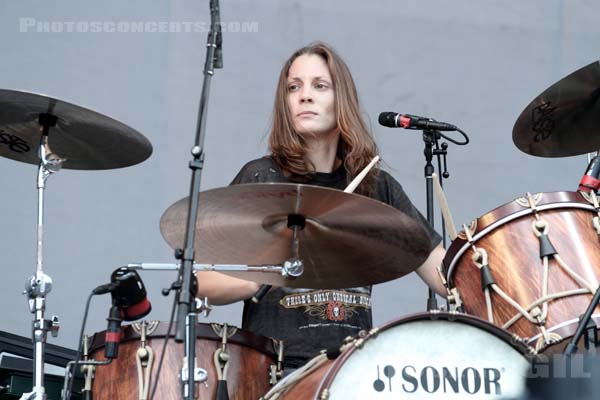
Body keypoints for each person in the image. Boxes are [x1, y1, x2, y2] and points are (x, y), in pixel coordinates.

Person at [197, 42, 446, 369]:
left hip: (352, 373)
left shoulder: (374, 185)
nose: (304, 95)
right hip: (276, 372)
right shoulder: (263, 179)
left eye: (320, 85)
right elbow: (202, 280)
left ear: (341, 99)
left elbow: (446, 276)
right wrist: (255, 278)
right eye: (293, 87)